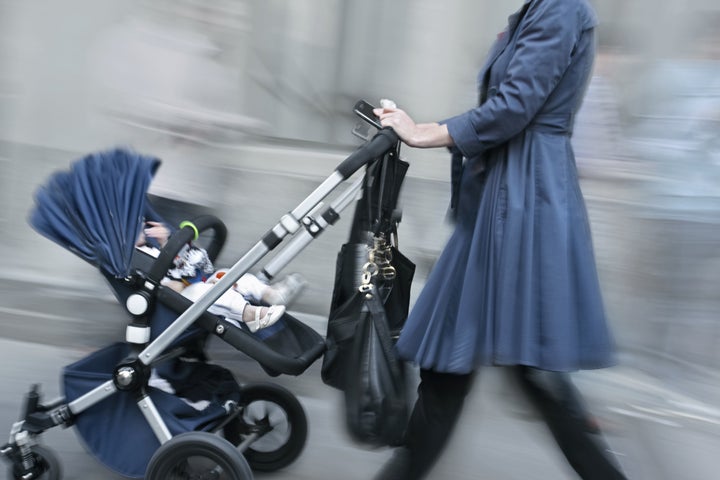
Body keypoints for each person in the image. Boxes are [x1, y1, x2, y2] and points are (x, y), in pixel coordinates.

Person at [371, 0, 627, 479]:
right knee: (462, 357)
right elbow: (507, 104)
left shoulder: (560, 8)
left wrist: (425, 131)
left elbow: (513, 106)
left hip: (524, 199)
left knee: (522, 362)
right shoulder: (541, 9)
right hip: (507, 195)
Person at [137, 220, 306, 333]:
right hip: (176, 299)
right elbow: (167, 285)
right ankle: (249, 314)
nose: (142, 225)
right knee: (203, 291)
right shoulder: (136, 259)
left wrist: (166, 242)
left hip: (194, 282)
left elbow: (179, 261)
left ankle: (270, 294)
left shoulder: (151, 248)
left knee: (227, 274)